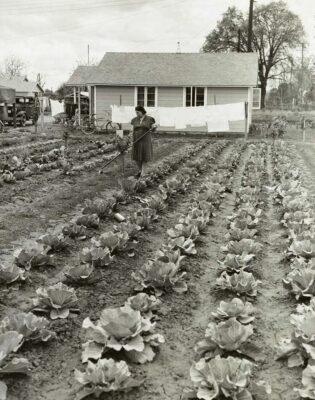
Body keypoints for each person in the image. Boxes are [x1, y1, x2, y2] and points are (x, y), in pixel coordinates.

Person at [130, 105, 155, 178]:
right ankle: (140, 171)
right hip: (136, 140)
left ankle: (143, 173)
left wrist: (154, 128)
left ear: (142, 111)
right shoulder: (134, 120)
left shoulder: (149, 119)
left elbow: (153, 129)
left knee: (144, 156)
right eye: (136, 112)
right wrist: (130, 137)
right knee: (137, 157)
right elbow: (132, 129)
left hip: (145, 140)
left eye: (138, 112)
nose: (136, 114)